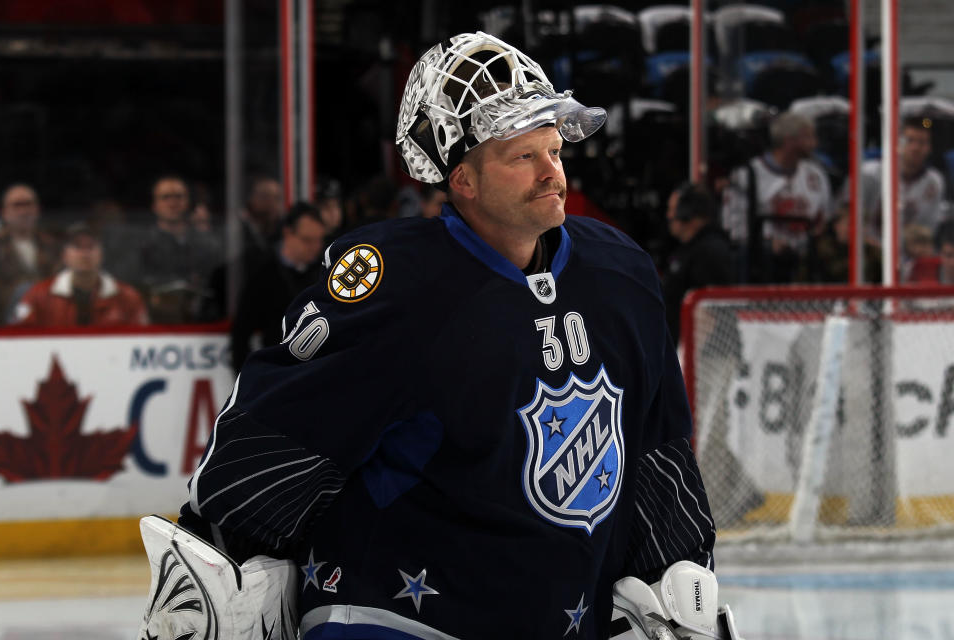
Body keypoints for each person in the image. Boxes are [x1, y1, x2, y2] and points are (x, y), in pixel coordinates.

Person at [138, 31, 741, 640]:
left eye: (553, 149)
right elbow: (284, 431)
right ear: (463, 180)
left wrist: (676, 564)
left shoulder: (620, 272)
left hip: (562, 618)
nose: (551, 172)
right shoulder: (398, 281)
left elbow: (654, 443)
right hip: (394, 618)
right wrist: (220, 555)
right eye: (521, 156)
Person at [721, 110, 832, 283]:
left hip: (806, 260)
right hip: (762, 262)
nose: (814, 144)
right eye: (808, 137)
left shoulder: (816, 175)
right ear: (789, 141)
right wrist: (765, 242)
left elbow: (824, 217)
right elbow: (732, 223)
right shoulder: (747, 174)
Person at [229, 202, 326, 373]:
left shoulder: (324, 271)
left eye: (319, 240)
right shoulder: (262, 272)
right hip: (277, 371)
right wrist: (249, 380)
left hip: (317, 370)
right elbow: (241, 333)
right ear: (288, 233)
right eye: (307, 240)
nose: (315, 247)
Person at [11, 222, 148, 327]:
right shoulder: (38, 295)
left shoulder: (128, 297)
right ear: (64, 255)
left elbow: (141, 341)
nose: (85, 253)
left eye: (91, 247)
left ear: (101, 254)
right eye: (77, 247)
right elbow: (19, 338)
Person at [132, 175, 222, 323]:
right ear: (154, 205)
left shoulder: (203, 239)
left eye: (179, 196)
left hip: (202, 318)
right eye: (166, 197)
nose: (173, 203)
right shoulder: (143, 242)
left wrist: (205, 233)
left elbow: (216, 272)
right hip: (158, 318)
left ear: (188, 202)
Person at [859, 116, 947, 257]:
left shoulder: (934, 182)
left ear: (929, 148)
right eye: (910, 140)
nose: (916, 147)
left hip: (909, 258)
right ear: (897, 143)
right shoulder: (870, 173)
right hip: (868, 254)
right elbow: (849, 218)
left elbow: (928, 230)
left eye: (922, 142)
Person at [662, 183, 734, 344]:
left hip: (702, 357)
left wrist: (690, 356)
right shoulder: (687, 249)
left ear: (688, 213)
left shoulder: (710, 251)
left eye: (673, 209)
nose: (669, 215)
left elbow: (712, 313)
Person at [0, 184, 61, 324]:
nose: (24, 211)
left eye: (28, 204)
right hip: (4, 321)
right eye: (17, 205)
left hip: (49, 319)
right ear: (4, 212)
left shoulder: (53, 245)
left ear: (37, 209)